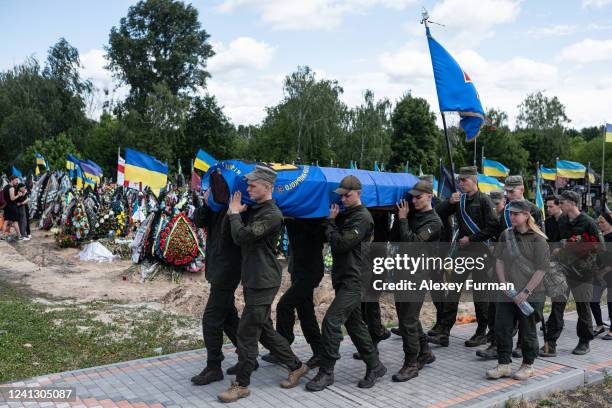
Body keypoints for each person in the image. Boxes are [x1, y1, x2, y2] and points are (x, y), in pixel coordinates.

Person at [218, 165, 308, 403]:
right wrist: (238, 214)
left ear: (267, 187)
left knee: (246, 332)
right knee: (264, 330)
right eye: (248, 184)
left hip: (263, 280)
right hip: (254, 278)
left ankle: (241, 385)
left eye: (252, 185)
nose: (248, 188)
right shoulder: (258, 210)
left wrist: (235, 214)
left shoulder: (272, 214)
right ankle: (296, 366)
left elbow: (243, 237)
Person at [306, 175, 386, 392]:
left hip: (356, 279)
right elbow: (331, 237)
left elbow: (341, 244)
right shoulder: (346, 214)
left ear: (359, 194)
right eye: (341, 195)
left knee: (331, 322)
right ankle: (375, 365)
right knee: (354, 324)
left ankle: (327, 372)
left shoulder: (362, 218)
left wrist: (331, 223)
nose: (343, 199)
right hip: (344, 277)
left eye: (347, 195)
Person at [430, 166, 499, 347]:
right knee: (453, 290)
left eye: (464, 181)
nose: (461, 184)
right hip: (463, 252)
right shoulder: (459, 200)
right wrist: (448, 202)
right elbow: (437, 214)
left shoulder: (485, 201)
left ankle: (481, 331)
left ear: (474, 181)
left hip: (481, 252)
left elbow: (493, 227)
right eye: (460, 181)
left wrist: (472, 238)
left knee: (480, 293)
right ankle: (444, 331)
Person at [486, 199, 549, 381]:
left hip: (531, 293)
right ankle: (503, 364)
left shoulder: (539, 239)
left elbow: (541, 269)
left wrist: (526, 292)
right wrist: (504, 283)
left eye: (516, 214)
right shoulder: (506, 235)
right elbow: (499, 260)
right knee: (502, 327)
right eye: (510, 213)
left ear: (526, 215)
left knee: (527, 330)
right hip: (508, 291)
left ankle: (527, 366)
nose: (512, 216)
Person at [190, 188, 243, 386]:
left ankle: (214, 367)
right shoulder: (215, 205)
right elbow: (198, 220)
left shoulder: (237, 204)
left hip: (228, 270)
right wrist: (206, 203)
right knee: (228, 317)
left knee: (211, 320)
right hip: (217, 267)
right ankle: (248, 357)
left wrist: (232, 211)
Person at [541, 190, 603, 356]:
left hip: (584, 272)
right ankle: (551, 342)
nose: (559, 205)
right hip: (563, 270)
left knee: (583, 307)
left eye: (562, 202)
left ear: (572, 203)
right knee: (557, 305)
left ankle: (584, 341)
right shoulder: (561, 220)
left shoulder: (588, 222)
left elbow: (600, 247)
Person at [392, 180, 442, 382]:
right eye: (412, 197)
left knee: (408, 321)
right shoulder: (410, 213)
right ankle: (425, 352)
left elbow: (412, 244)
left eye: (418, 197)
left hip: (418, 276)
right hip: (402, 272)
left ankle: (411, 364)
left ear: (429, 196)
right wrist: (399, 218)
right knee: (406, 318)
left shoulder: (434, 222)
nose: (414, 200)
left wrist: (403, 220)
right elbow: (395, 238)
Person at [262, 217, 325, 368]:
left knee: (285, 305)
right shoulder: (293, 218)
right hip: (298, 270)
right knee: (306, 312)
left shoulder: (315, 218)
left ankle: (282, 348)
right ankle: (320, 352)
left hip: (310, 272)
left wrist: (329, 220)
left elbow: (322, 237)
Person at [590, 211, 612, 340]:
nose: (600, 224)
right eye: (599, 222)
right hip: (598, 273)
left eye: (602, 222)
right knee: (593, 299)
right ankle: (599, 325)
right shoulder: (599, 237)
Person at [1, 175, 23, 241]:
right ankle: (19, 236)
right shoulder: (11, 188)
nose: (17, 182)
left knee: (6, 221)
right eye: (16, 180)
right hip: (12, 207)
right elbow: (12, 198)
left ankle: (2, 235)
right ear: (12, 180)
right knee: (15, 221)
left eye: (17, 180)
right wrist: (18, 195)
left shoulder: (5, 187)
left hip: (7, 206)